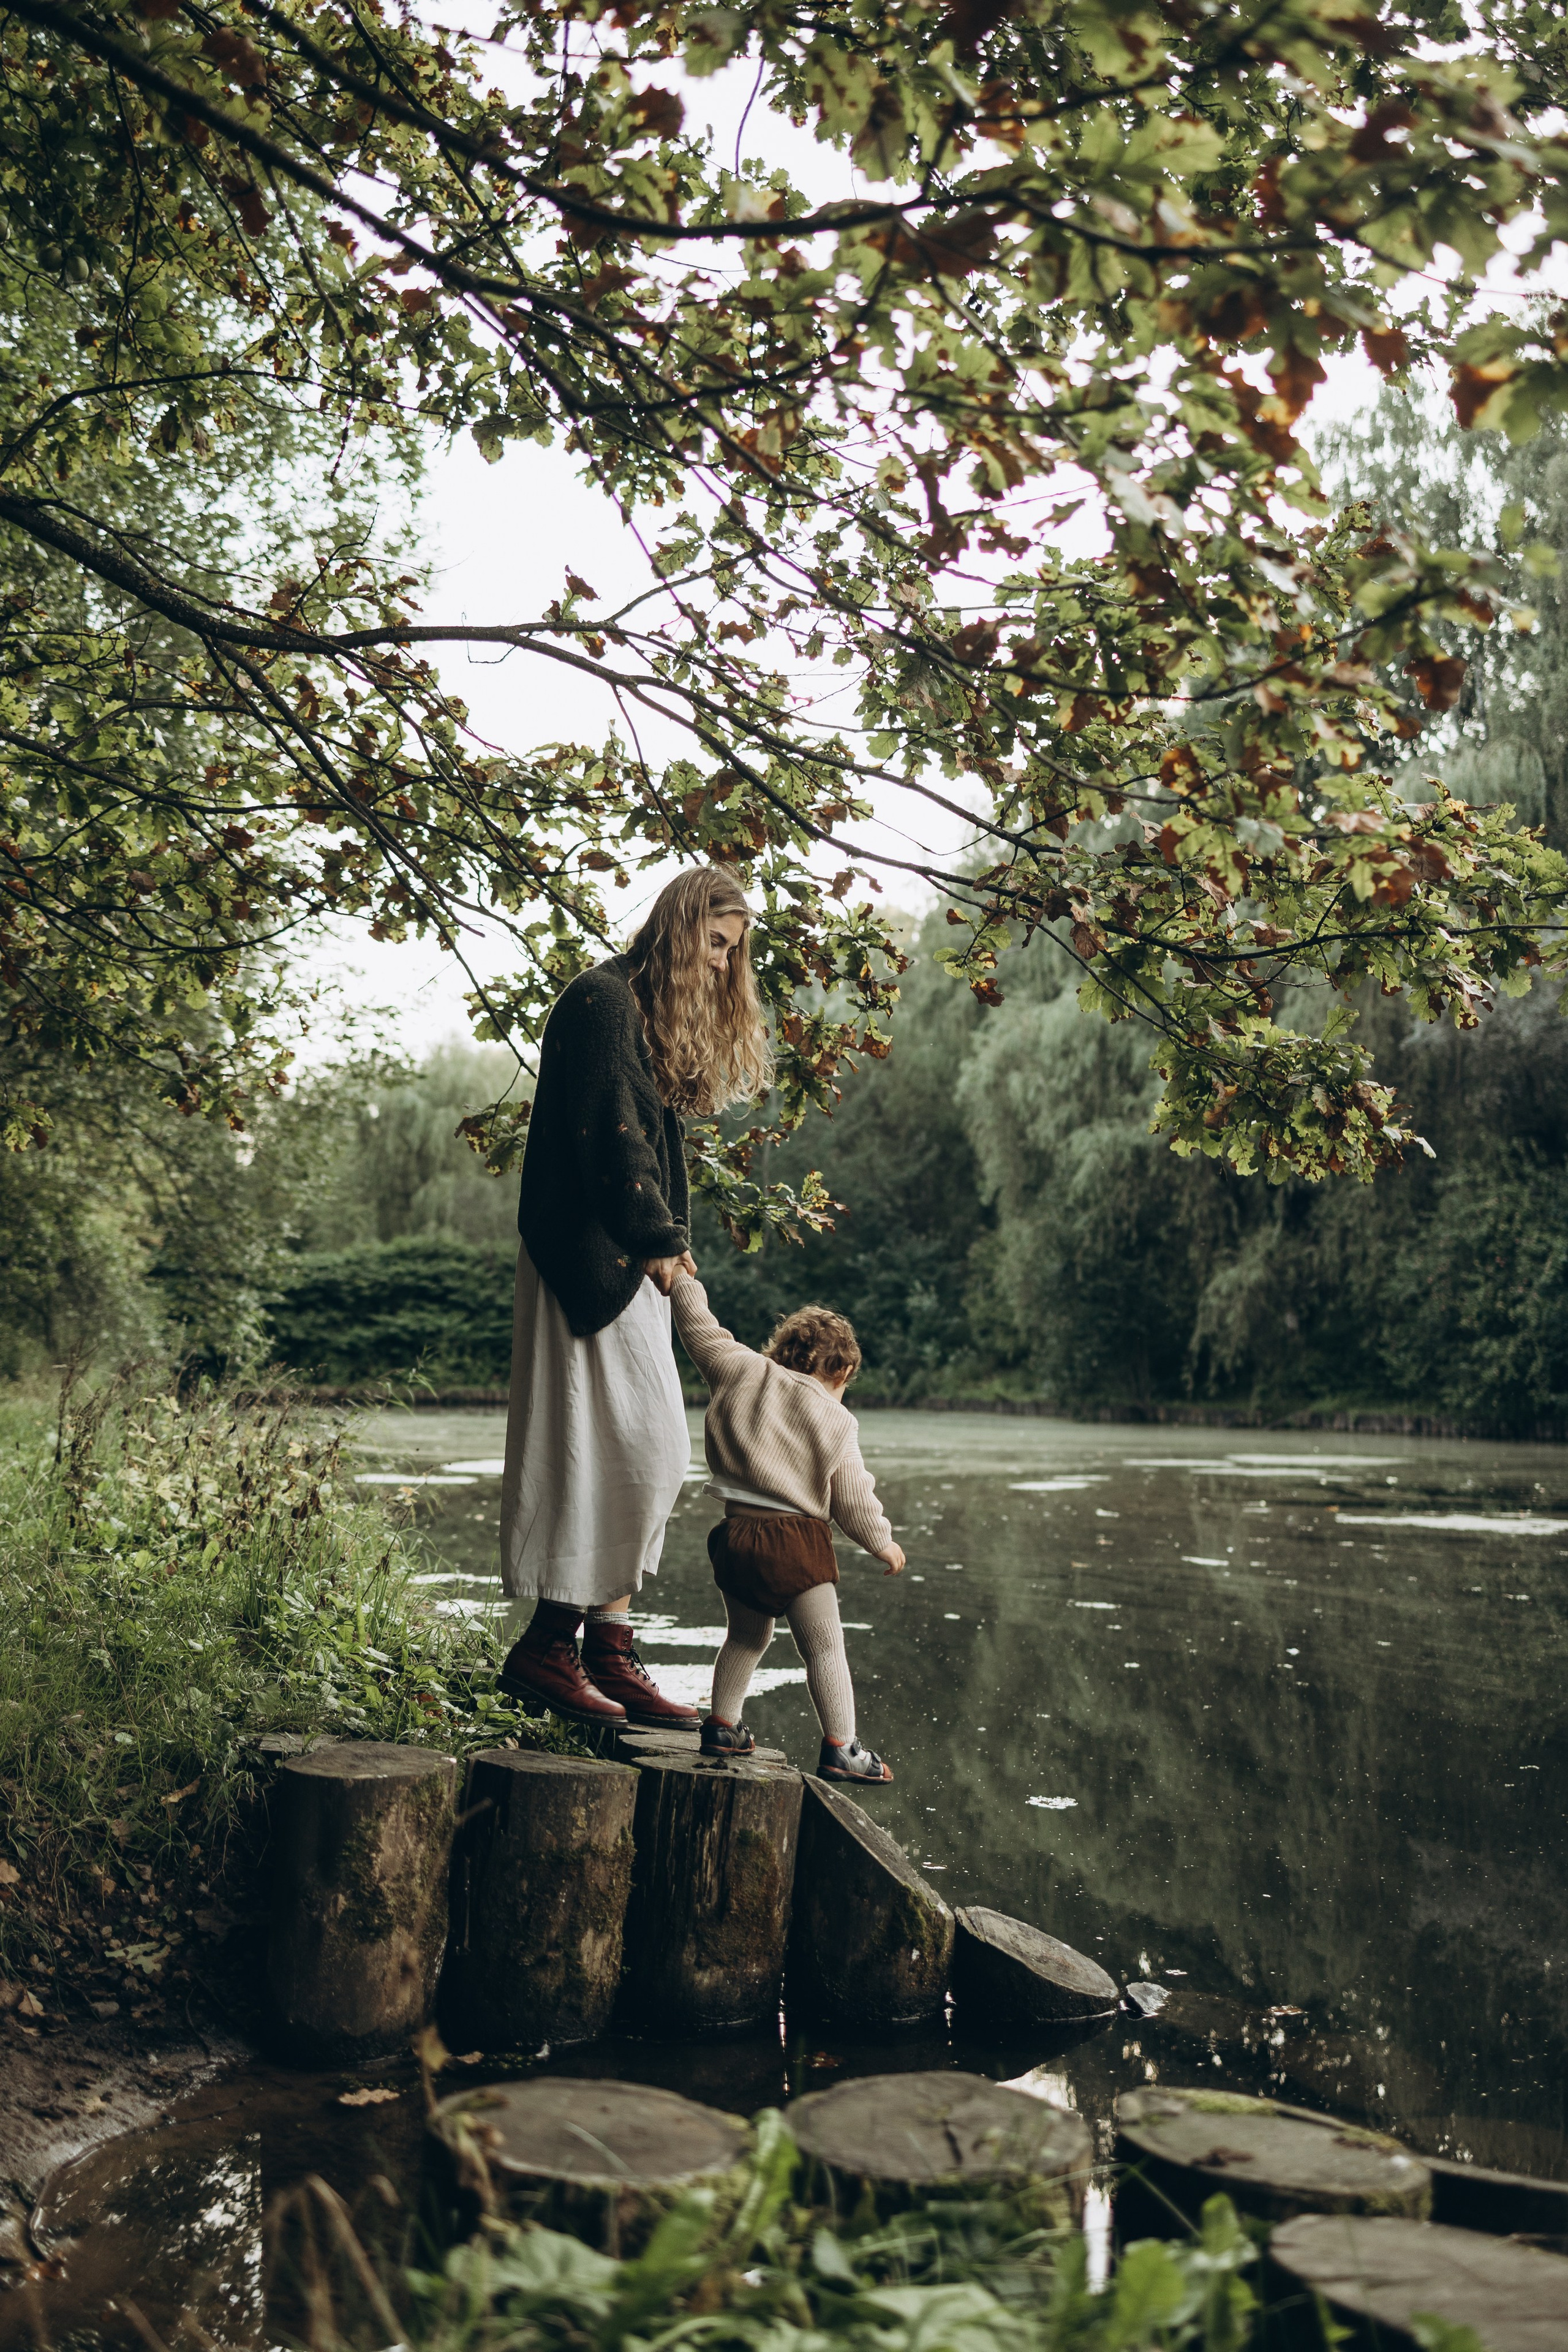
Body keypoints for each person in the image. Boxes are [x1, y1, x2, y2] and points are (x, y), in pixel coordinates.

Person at [496, 867, 771, 1728]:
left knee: (642, 1456)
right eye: (718, 944)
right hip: (591, 1260)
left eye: (735, 953)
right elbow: (617, 1142)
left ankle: (607, 1652)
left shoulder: (633, 1010)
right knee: (625, 1451)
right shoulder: (604, 1000)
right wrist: (666, 1251)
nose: (727, 968)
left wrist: (658, 1248)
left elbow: (641, 1140)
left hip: (624, 1256)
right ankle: (550, 1648)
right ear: (684, 924)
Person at [670, 1274, 905, 1782]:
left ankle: (723, 1725)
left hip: (734, 1540)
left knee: (747, 1636)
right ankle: (843, 1746)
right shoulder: (835, 1419)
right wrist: (882, 1542)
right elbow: (852, 1497)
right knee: (823, 1645)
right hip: (795, 1543)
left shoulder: (739, 1369)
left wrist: (683, 1279)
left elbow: (698, 1328)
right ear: (839, 1369)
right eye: (846, 1385)